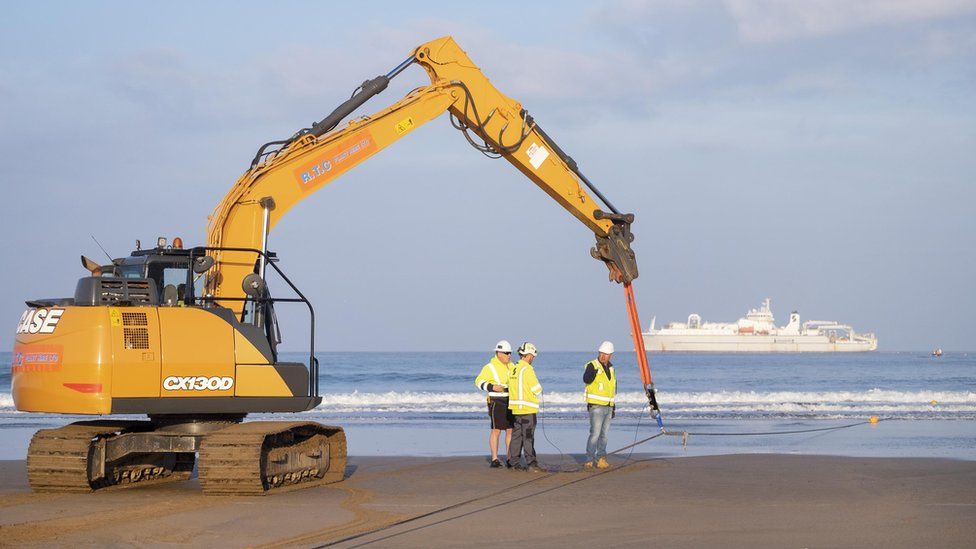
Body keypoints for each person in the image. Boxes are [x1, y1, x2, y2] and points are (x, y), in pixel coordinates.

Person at [474, 340, 513, 468]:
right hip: (496, 401)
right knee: (496, 430)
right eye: (506, 353)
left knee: (510, 431)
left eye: (510, 353)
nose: (509, 355)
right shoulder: (489, 367)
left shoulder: (513, 367)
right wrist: (491, 386)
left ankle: (509, 458)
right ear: (498, 353)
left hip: (510, 401)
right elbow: (478, 382)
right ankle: (494, 459)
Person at [507, 342, 543, 472]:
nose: (532, 359)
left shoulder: (513, 369)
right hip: (528, 410)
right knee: (528, 437)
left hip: (516, 411)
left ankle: (514, 463)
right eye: (532, 356)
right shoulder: (527, 369)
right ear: (528, 355)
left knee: (517, 437)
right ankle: (531, 464)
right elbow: (537, 389)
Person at [583, 341, 616, 469]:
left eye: (606, 354)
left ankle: (601, 459)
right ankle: (589, 459)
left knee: (604, 435)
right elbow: (586, 379)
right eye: (601, 353)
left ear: (611, 355)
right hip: (596, 406)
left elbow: (612, 388)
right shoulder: (592, 365)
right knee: (595, 434)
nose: (603, 356)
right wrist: (594, 372)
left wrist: (613, 407)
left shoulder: (611, 369)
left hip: (608, 406)